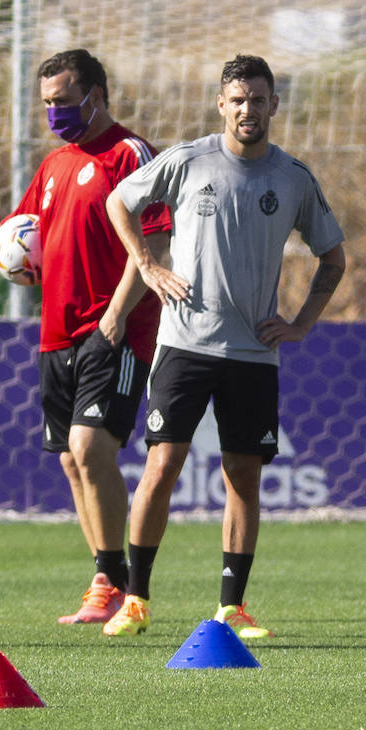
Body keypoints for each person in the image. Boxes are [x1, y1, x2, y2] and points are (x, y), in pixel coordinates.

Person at [102, 54, 345, 640]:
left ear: (273, 106)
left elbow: (332, 258)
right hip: (184, 343)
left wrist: (301, 323)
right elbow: (119, 203)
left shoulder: (293, 177)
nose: (248, 110)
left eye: (258, 100)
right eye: (237, 100)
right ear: (221, 103)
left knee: (243, 477)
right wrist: (147, 265)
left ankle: (231, 608)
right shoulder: (187, 161)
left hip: (254, 354)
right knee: (162, 465)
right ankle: (135, 599)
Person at [0, 48, 171, 626]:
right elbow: (13, 232)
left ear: (96, 95)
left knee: (90, 446)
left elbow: (154, 243)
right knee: (72, 463)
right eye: (48, 103)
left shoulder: (130, 154)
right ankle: (104, 577)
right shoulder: (53, 166)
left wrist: (120, 312)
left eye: (64, 101)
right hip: (57, 334)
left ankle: (112, 581)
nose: (55, 112)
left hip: (114, 325)